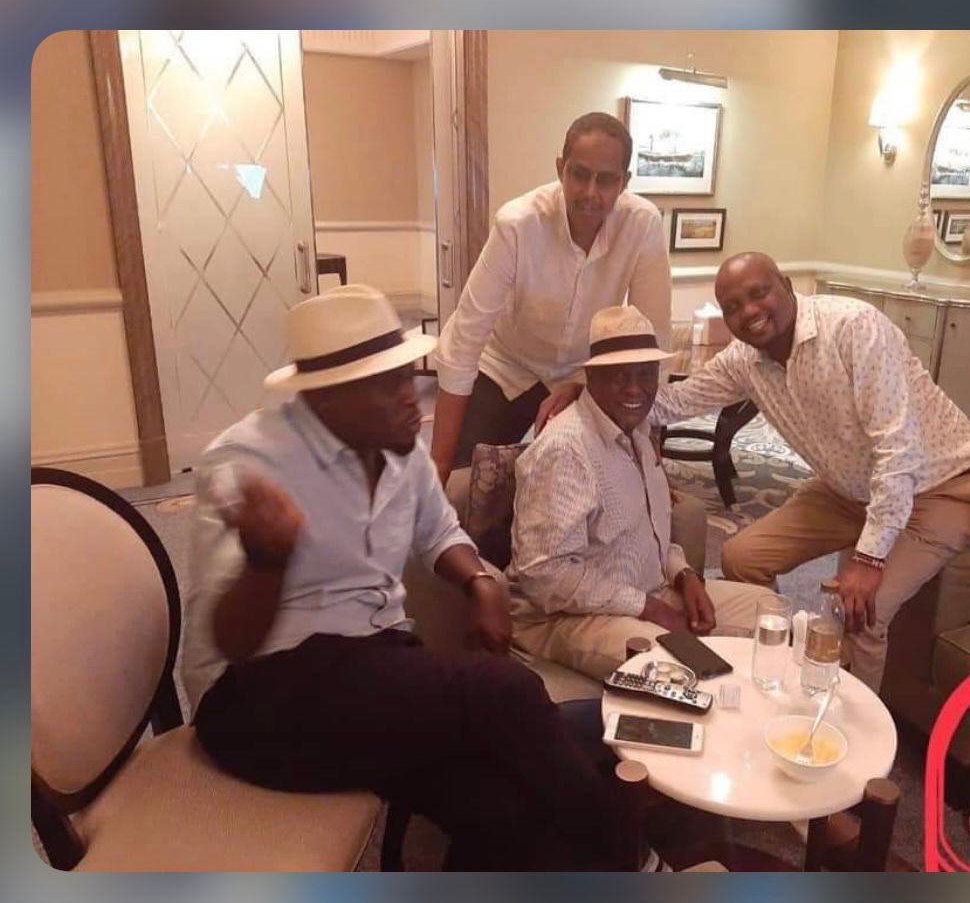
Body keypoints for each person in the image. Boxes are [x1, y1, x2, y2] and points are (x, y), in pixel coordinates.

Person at [182, 284, 648, 871]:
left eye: (408, 376)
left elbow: (438, 532)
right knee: (505, 692)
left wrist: (479, 582)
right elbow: (230, 644)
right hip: (260, 698)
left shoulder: (397, 448)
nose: (415, 400)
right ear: (324, 398)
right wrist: (267, 561)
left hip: (373, 663)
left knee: (500, 808)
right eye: (389, 385)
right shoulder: (248, 464)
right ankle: (627, 859)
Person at [649, 252, 970, 692]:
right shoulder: (742, 360)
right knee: (741, 557)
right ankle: (777, 672)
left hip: (937, 488)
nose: (749, 312)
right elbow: (672, 403)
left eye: (759, 293)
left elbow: (897, 449)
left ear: (787, 284)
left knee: (858, 610)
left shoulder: (853, 328)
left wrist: (869, 560)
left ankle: (850, 722)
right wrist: (590, 391)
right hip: (847, 489)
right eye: (732, 307)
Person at [509, 305, 768, 679]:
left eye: (645, 374)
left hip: (650, 590)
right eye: (619, 376)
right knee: (675, 667)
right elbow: (545, 574)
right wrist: (648, 608)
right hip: (567, 617)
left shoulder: (639, 430)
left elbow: (646, 533)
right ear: (591, 377)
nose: (635, 389)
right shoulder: (565, 450)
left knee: (770, 615)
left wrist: (684, 576)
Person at [430, 111, 672, 486]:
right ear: (561, 169)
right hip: (505, 365)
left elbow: (651, 345)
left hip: (582, 373)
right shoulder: (517, 223)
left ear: (624, 182)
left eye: (606, 179)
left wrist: (649, 463)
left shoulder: (643, 224)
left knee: (596, 482)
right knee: (466, 483)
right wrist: (439, 466)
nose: (590, 192)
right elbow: (463, 341)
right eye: (580, 174)